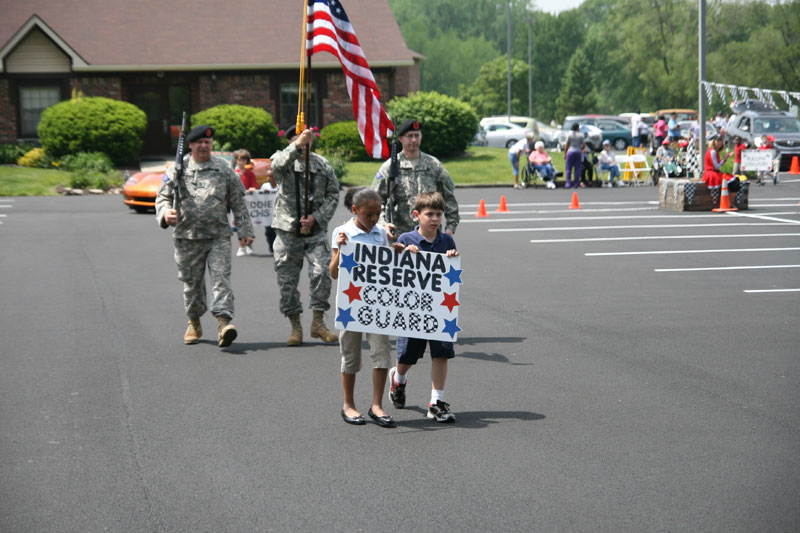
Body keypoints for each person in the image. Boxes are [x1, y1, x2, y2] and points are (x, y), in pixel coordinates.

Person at [155, 125, 254, 348]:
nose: (203, 145)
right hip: (186, 237)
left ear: (211, 145)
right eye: (198, 142)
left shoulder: (223, 168)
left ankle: (224, 323)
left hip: (218, 235)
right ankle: (194, 321)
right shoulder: (176, 170)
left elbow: (238, 200)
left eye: (207, 142)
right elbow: (161, 198)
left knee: (221, 279)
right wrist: (164, 214)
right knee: (192, 284)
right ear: (190, 145)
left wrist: (245, 230)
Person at [329, 187, 406, 427]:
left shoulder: (380, 233)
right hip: (351, 304)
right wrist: (341, 250)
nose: (374, 219)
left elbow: (385, 266)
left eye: (377, 214)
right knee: (350, 354)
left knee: (381, 353)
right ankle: (348, 404)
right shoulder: (342, 232)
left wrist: (395, 251)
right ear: (354, 210)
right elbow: (333, 273)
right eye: (368, 214)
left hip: (377, 303)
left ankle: (377, 405)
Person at [388, 192, 460, 423]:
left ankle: (436, 402)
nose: (435, 219)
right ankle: (398, 378)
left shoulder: (446, 240)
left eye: (439, 215)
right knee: (408, 354)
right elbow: (394, 269)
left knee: (442, 353)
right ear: (417, 215)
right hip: (413, 309)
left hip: (439, 308)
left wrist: (452, 256)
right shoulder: (407, 238)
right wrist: (403, 254)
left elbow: (451, 271)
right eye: (430, 214)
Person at [270, 127, 340, 346]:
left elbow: (333, 194)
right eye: (299, 141)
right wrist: (296, 145)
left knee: (321, 273)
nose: (304, 146)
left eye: (307, 142)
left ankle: (318, 323)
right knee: (287, 280)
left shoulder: (322, 164)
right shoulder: (283, 158)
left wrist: (316, 218)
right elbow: (276, 167)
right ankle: (295, 326)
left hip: (315, 231)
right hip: (288, 231)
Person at [371, 119, 460, 240]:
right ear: (401, 138)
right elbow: (375, 200)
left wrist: (451, 226)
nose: (414, 140)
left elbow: (449, 197)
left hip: (430, 237)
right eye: (410, 136)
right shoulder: (390, 167)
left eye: (417, 135)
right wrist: (383, 225)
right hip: (399, 237)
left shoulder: (434, 165)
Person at [233, 149, 258, 257]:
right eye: (239, 160)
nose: (241, 162)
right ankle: (241, 246)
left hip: (248, 203)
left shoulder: (250, 174)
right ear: (236, 161)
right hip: (237, 203)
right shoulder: (233, 173)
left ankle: (249, 244)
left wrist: (252, 189)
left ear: (247, 161)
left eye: (244, 160)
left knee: (249, 225)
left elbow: (254, 186)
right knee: (239, 225)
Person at [563, 122, 584, 189]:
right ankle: (576, 184)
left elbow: (567, 145)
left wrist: (565, 153)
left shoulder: (569, 134)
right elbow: (583, 145)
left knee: (568, 168)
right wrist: (580, 149)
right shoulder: (581, 135)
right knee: (577, 168)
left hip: (570, 151)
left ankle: (568, 183)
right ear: (577, 128)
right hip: (578, 152)